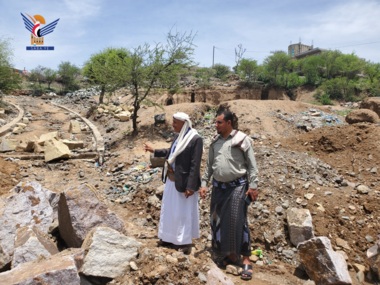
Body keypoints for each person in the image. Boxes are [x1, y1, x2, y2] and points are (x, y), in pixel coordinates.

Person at [199, 109, 259, 281]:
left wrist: (253, 186)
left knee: (237, 220)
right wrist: (204, 184)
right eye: (215, 122)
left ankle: (246, 259)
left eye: (219, 122)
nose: (215, 125)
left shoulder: (242, 140)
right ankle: (229, 255)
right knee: (217, 220)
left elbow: (252, 166)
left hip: (237, 187)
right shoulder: (215, 142)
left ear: (228, 123)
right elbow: (209, 166)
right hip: (218, 188)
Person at [144, 112, 203, 254]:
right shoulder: (178, 137)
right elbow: (171, 152)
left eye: (175, 122)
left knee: (183, 213)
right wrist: (155, 150)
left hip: (184, 184)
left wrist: (190, 186)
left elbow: (195, 165)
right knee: (169, 210)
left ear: (184, 123)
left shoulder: (195, 139)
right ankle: (168, 237)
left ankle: (184, 242)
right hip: (172, 180)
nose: (173, 124)